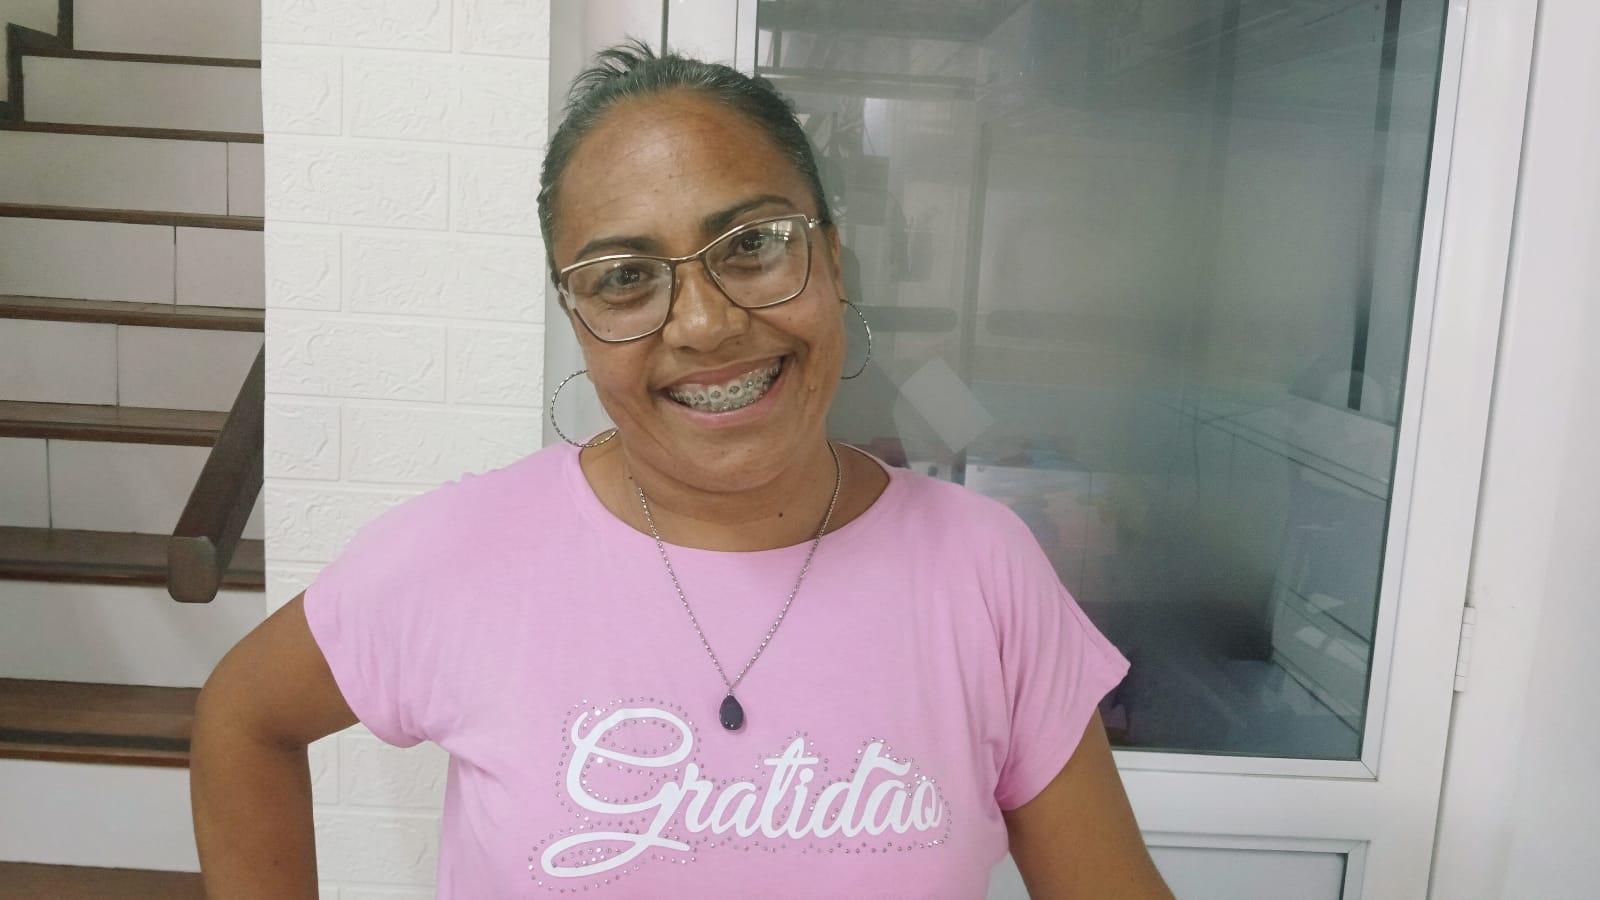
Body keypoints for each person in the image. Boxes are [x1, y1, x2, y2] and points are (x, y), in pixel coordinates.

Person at [190, 41, 1173, 899]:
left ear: (833, 263)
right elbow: (244, 717)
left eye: (751, 246)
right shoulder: (463, 556)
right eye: (624, 278)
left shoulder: (981, 568)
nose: (703, 324)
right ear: (579, 320)